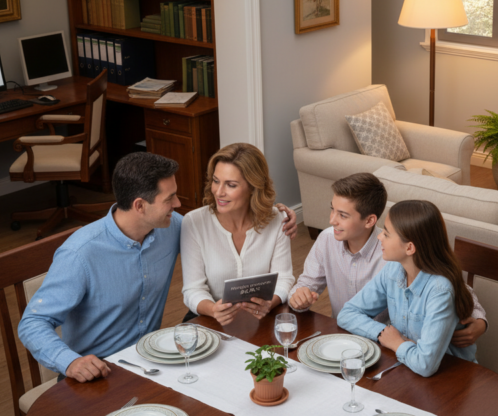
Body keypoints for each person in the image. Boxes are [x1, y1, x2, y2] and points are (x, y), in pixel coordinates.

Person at [18, 152, 298, 383]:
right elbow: (32, 323)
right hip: (96, 372)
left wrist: (277, 213)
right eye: (170, 199)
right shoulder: (80, 254)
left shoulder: (172, 226)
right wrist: (70, 363)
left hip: (153, 361)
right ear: (140, 206)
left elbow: (215, 227)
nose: (178, 205)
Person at [288, 173, 487, 348]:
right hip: (342, 336)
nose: (332, 220)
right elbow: (307, 285)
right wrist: (299, 297)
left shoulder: (394, 252)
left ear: (370, 221)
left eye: (342, 215)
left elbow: (447, 286)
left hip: (388, 348)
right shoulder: (326, 239)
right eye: (333, 210)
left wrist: (479, 320)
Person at [338, 200, 477, 377]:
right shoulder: (393, 269)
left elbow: (425, 365)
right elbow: (347, 314)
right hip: (408, 370)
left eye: (387, 234)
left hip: (452, 378)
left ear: (409, 247)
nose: (380, 237)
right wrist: (383, 333)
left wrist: (397, 343)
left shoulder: (440, 291)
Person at [181, 143, 295, 325]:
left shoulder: (278, 219)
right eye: (216, 181)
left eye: (231, 185)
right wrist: (213, 310)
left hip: (264, 315)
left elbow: (284, 278)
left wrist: (269, 303)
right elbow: (193, 289)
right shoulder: (194, 222)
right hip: (211, 318)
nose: (219, 192)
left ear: (253, 187)